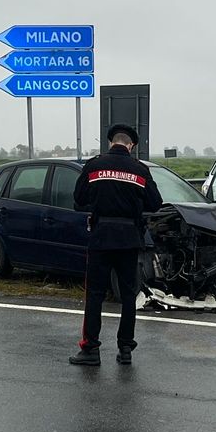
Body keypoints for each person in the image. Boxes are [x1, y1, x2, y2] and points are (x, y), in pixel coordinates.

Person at [69, 123, 163, 366]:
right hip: (130, 240)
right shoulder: (140, 170)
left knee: (95, 295)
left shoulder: (94, 166)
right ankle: (125, 349)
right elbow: (155, 203)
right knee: (128, 295)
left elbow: (78, 199)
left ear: (111, 142)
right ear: (130, 145)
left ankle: (90, 349)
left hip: (100, 238)